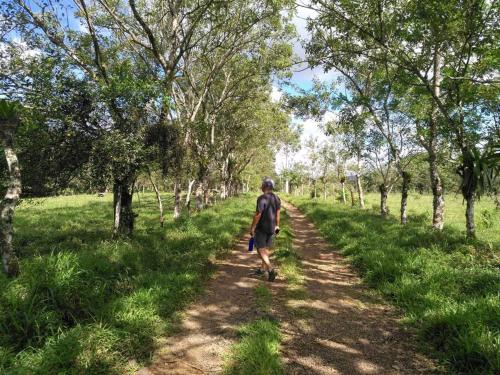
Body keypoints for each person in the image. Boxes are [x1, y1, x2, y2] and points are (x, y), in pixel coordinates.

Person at [250, 177, 281, 282]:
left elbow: (258, 214)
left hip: (262, 228)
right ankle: (262, 269)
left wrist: (253, 227)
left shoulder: (262, 198)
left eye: (262, 185)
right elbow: (278, 213)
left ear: (264, 186)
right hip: (272, 228)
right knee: (266, 248)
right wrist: (277, 225)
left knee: (260, 248)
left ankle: (270, 269)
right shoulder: (277, 198)